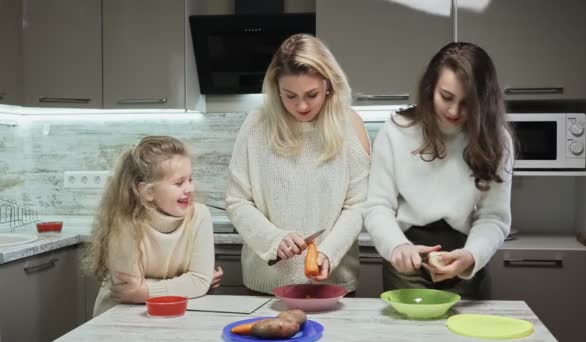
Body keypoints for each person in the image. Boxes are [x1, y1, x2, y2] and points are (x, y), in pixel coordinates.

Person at [365, 42, 514, 299]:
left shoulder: (497, 141)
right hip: (406, 258)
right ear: (430, 87)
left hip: (465, 257)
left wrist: (471, 256)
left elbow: (494, 218)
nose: (455, 111)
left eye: (468, 103)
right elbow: (377, 206)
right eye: (446, 97)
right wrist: (396, 246)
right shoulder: (396, 131)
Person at [225, 33, 371, 295]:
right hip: (267, 285)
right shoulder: (256, 125)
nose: (301, 105)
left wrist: (328, 253)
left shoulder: (350, 126)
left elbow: (358, 205)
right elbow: (237, 201)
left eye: (311, 94)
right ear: (275, 89)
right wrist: (273, 239)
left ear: (328, 84)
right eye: (289, 96)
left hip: (332, 284)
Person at [83, 136, 222, 316]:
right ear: (149, 192)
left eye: (190, 179)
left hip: (171, 313)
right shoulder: (125, 221)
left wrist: (145, 291)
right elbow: (127, 290)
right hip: (119, 313)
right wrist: (189, 284)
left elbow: (198, 282)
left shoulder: (200, 216)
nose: (189, 189)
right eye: (179, 183)